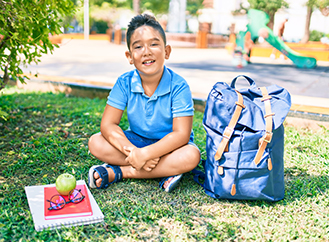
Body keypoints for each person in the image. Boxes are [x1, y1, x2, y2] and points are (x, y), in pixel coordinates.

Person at [87, 14, 201, 192]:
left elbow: (181, 134)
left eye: (154, 44)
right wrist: (133, 151)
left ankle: (119, 172)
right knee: (95, 142)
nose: (146, 51)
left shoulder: (179, 86)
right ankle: (165, 170)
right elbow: (108, 124)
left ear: (167, 51)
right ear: (130, 56)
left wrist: (145, 154)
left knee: (191, 156)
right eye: (138, 46)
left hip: (171, 147)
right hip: (136, 142)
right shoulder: (124, 83)